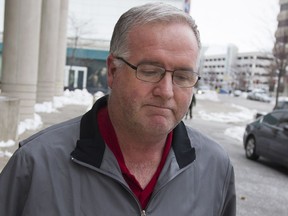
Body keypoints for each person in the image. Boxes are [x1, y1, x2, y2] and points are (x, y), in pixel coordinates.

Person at [0, 3, 236, 215]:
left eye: (183, 76)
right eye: (149, 70)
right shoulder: (35, 165)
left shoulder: (216, 168)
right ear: (113, 71)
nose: (166, 91)